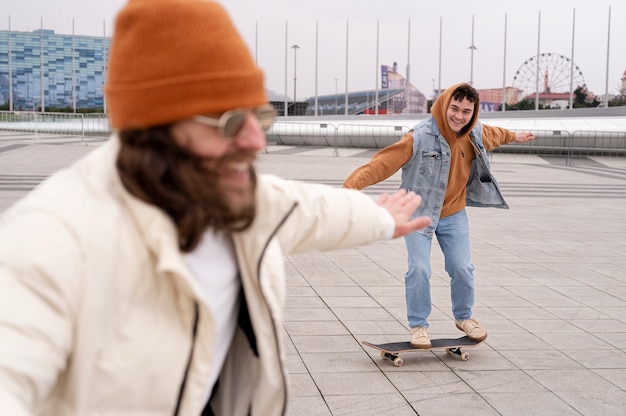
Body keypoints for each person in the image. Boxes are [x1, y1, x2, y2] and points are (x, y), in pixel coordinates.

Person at [0, 1, 432, 415]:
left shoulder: (241, 199)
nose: (256, 142)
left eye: (258, 116)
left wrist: (379, 219)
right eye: (228, 123)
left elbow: (310, 209)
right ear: (153, 131)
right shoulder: (48, 243)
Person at [344, 83, 535, 349]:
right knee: (419, 269)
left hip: (453, 213)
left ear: (473, 113)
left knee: (462, 268)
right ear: (444, 105)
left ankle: (464, 317)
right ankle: (419, 325)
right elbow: (381, 164)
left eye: (466, 111)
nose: (459, 116)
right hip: (417, 213)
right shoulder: (419, 136)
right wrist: (348, 189)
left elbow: (497, 134)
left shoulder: (475, 132)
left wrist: (516, 136)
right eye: (454, 109)